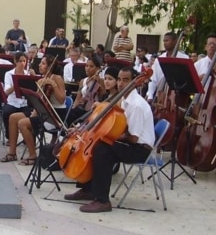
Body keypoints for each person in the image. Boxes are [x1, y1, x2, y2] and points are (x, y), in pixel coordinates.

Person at [64, 67, 155, 213]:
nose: (120, 83)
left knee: (102, 150)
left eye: (125, 80)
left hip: (140, 149)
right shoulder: (124, 100)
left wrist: (110, 136)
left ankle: (102, 201)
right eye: (119, 79)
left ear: (134, 81)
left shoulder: (136, 105)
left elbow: (133, 137)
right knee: (97, 146)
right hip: (130, 143)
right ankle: (88, 189)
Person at [2, 55, 66, 165]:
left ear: (50, 66)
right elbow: (40, 102)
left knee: (23, 123)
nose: (40, 65)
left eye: (43, 63)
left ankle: (32, 155)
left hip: (55, 116)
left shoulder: (57, 78)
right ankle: (12, 153)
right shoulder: (42, 79)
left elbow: (61, 100)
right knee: (13, 117)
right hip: (44, 112)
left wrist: (53, 85)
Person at [0, 52, 33, 147]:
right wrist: (16, 84)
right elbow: (6, 92)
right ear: (15, 61)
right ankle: (10, 137)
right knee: (6, 112)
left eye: (24, 61)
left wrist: (31, 78)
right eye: (20, 61)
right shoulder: (8, 74)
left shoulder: (28, 74)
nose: (22, 64)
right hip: (13, 102)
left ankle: (27, 136)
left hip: (25, 102)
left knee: (30, 113)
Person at [145, 32, 189, 103]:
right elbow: (153, 79)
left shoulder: (184, 58)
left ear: (175, 42)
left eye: (167, 41)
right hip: (160, 96)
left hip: (177, 97)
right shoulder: (159, 59)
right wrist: (150, 95)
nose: (165, 43)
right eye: (164, 41)